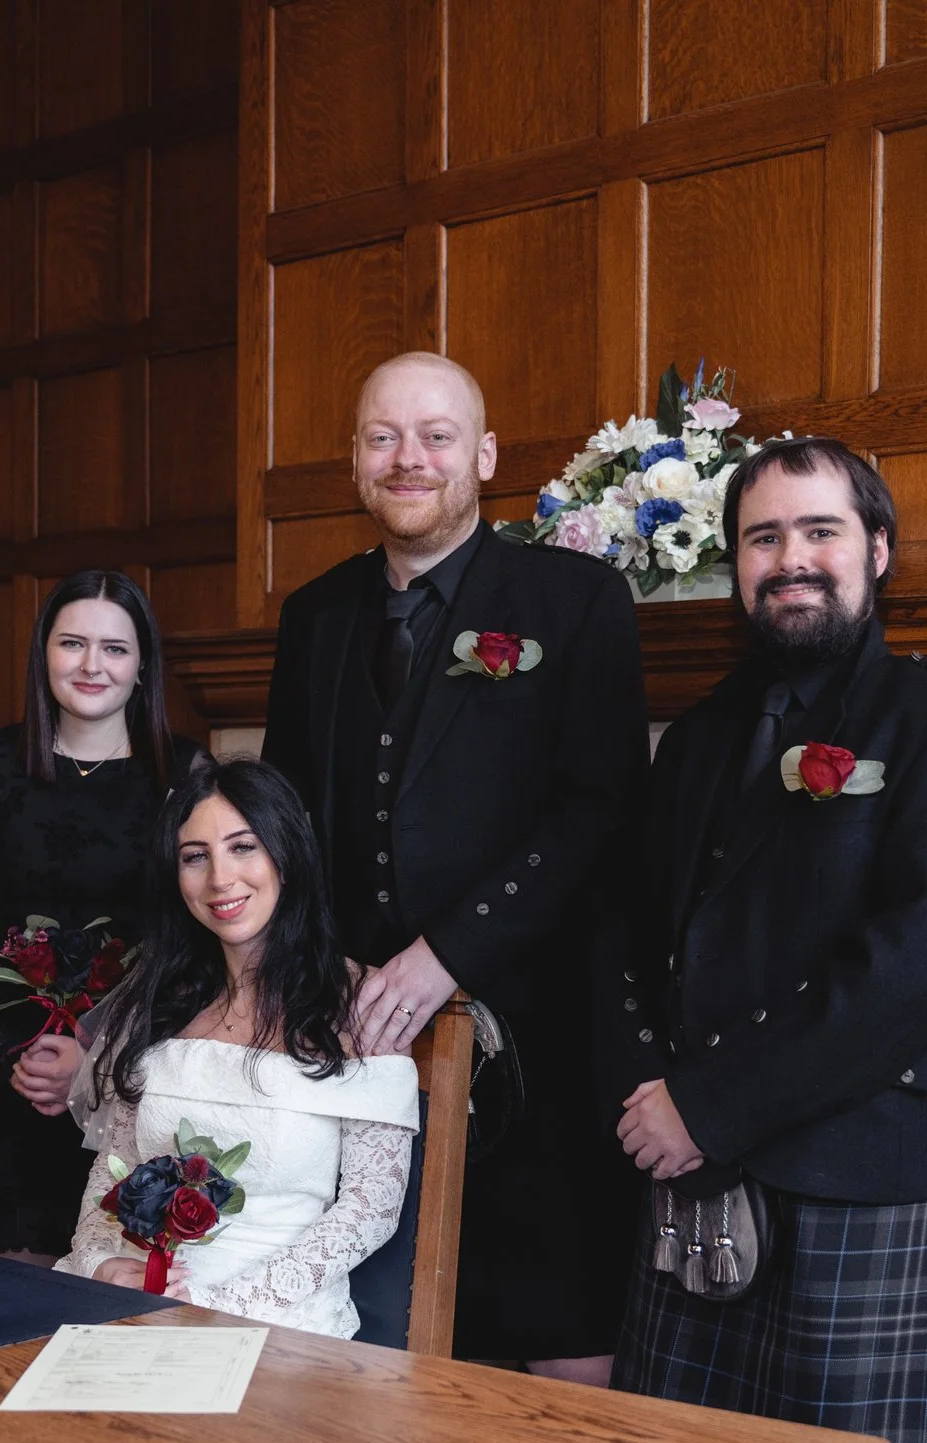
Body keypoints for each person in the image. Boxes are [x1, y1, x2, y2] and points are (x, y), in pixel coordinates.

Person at [596, 438, 927, 1443]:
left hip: (864, 1163)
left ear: (876, 551)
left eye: (818, 532)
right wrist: (648, 1089)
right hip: (706, 1169)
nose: (790, 560)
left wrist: (706, 1100)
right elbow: (630, 933)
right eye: (763, 538)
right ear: (736, 566)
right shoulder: (694, 741)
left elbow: (916, 968)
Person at [261, 350, 649, 1377]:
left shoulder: (575, 599)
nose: (409, 458)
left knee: (563, 1352)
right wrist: (329, 959)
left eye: (435, 435)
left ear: (481, 455)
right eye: (383, 436)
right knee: (387, 1335)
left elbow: (599, 811)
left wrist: (447, 956)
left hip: (544, 1041)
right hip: (358, 1040)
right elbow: (285, 820)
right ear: (354, 461)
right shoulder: (314, 617)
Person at [58, 758, 418, 1337]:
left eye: (243, 846)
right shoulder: (160, 1005)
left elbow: (369, 1210)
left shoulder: (359, 1007)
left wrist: (223, 1303)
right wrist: (105, 1262)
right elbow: (112, 1170)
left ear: (286, 854)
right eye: (195, 856)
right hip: (147, 1302)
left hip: (278, 1316)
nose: (220, 878)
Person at [0, 570, 204, 1262]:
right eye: (72, 643)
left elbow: (194, 938)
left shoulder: (183, 771)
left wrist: (95, 1060)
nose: (91, 664)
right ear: (43, 654)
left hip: (128, 1065)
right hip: (10, 1063)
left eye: (114, 648)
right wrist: (20, 1052)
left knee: (111, 1280)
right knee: (2, 1297)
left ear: (142, 667)